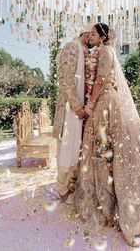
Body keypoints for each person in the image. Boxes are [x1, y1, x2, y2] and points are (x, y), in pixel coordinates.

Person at [73, 23, 140, 247]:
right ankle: (110, 195)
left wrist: (90, 106)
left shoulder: (104, 52)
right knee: (107, 148)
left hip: (104, 103)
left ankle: (110, 200)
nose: (90, 36)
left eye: (93, 33)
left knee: (103, 147)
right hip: (110, 100)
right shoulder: (106, 51)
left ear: (101, 37)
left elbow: (100, 81)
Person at [53, 25, 92, 204]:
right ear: (84, 34)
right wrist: (77, 106)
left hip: (81, 110)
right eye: (91, 35)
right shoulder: (71, 47)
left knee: (76, 150)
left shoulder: (84, 51)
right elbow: (66, 81)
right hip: (70, 109)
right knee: (66, 149)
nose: (93, 39)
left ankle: (72, 186)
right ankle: (61, 189)